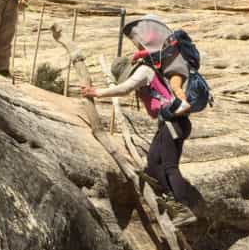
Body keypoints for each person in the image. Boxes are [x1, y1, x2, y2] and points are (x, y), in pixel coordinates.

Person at [80, 28, 200, 228]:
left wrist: (97, 93)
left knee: (169, 165)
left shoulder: (144, 71)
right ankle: (169, 198)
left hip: (173, 121)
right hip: (170, 122)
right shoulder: (146, 72)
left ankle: (182, 207)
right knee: (153, 162)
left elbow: (125, 89)